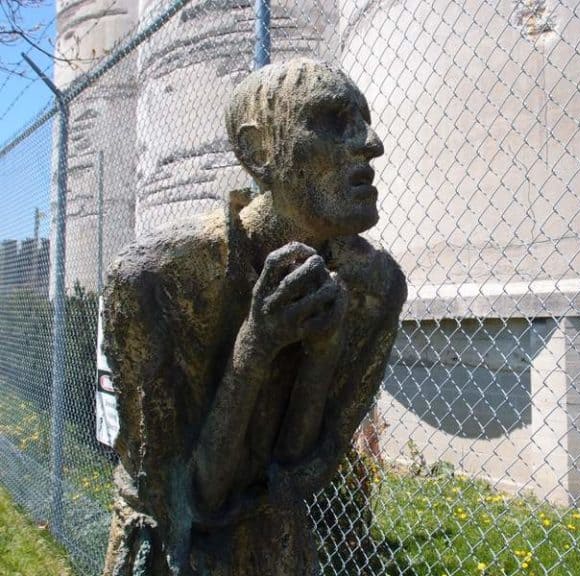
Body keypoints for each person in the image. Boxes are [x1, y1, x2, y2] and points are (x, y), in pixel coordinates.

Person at [102, 58, 406, 576]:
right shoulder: (155, 282)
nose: (371, 144)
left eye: (364, 119)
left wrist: (323, 352)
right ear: (258, 151)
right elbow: (189, 498)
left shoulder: (374, 286)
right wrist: (256, 345)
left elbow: (301, 470)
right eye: (333, 120)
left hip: (276, 546)